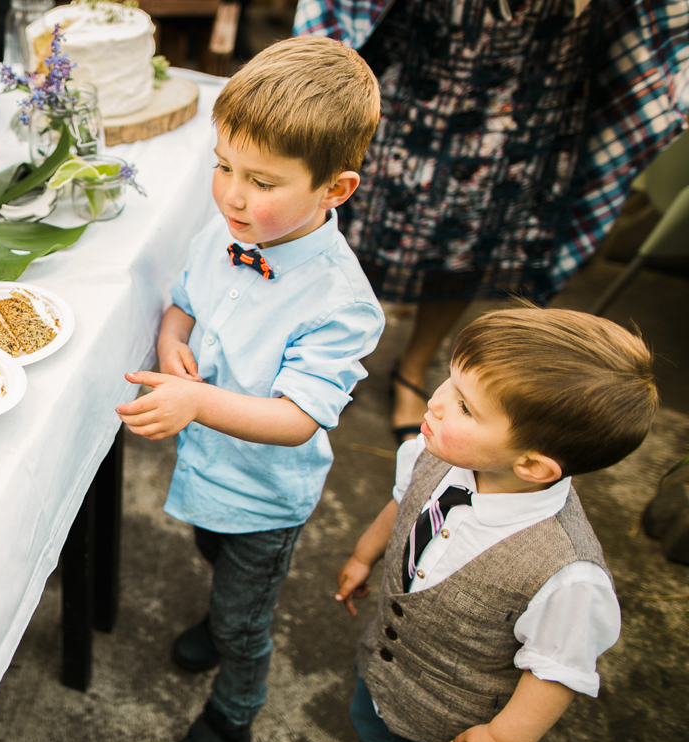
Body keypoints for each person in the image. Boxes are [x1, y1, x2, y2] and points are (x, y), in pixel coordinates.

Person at [114, 35, 385, 742]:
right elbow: (185, 302)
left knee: (245, 621)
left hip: (265, 496)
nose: (232, 194)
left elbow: (299, 418)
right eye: (223, 166)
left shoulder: (340, 304)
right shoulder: (229, 230)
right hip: (207, 467)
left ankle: (232, 719)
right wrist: (173, 338)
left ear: (336, 189)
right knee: (208, 548)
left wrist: (196, 400)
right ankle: (217, 617)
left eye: (262, 180)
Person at [294, 0, 688, 443]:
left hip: (540, 76)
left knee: (474, 242)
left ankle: (414, 364)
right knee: (361, 224)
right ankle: (332, 359)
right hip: (437, 64)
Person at [307, 307, 658, 742]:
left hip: (457, 726)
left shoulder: (566, 574)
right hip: (386, 670)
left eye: (466, 407)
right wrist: (366, 554)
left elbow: (555, 670)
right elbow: (404, 501)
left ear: (533, 465)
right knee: (372, 731)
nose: (434, 402)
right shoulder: (438, 454)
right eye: (449, 382)